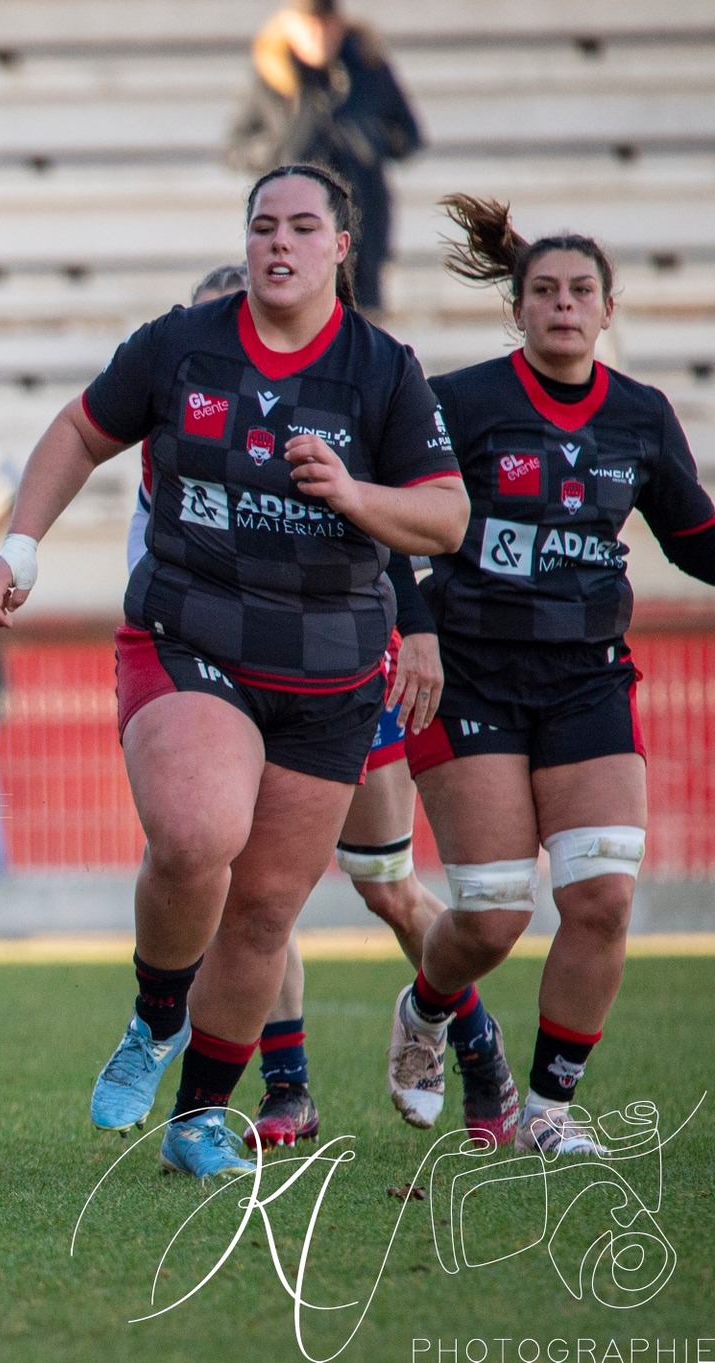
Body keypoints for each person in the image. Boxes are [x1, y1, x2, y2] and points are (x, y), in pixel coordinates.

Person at [0, 165, 468, 1179]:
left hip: (329, 673)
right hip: (188, 635)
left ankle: (201, 1115)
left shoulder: (381, 370)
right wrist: (22, 542)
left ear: (340, 244)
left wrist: (351, 492)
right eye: (259, 227)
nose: (275, 245)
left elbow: (447, 516)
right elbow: (78, 429)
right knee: (197, 831)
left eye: (299, 228)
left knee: (261, 911)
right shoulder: (180, 342)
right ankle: (155, 1014)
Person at [122, 265, 513, 1150]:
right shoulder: (172, 417)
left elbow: (386, 531)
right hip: (223, 671)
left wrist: (417, 630)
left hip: (337, 676)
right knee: (247, 891)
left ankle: (477, 1048)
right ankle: (287, 1087)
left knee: (384, 883)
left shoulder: (331, 405)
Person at [390, 196, 715, 1157]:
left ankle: (548, 1116)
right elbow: (396, 536)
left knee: (603, 898)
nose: (563, 306)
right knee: (491, 916)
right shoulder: (458, 403)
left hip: (586, 679)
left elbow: (695, 539)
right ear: (518, 308)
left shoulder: (641, 416)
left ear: (607, 309)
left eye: (581, 291)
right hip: (471, 679)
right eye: (544, 291)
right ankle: (427, 1007)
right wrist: (415, 631)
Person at [226, 0, 420, 313]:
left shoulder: (368, 68)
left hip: (362, 225)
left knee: (363, 328)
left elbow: (409, 137)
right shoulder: (273, 75)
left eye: (326, 25)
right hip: (292, 226)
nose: (319, 35)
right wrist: (283, 146)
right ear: (290, 27)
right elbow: (237, 149)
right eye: (309, 26)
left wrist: (370, 139)